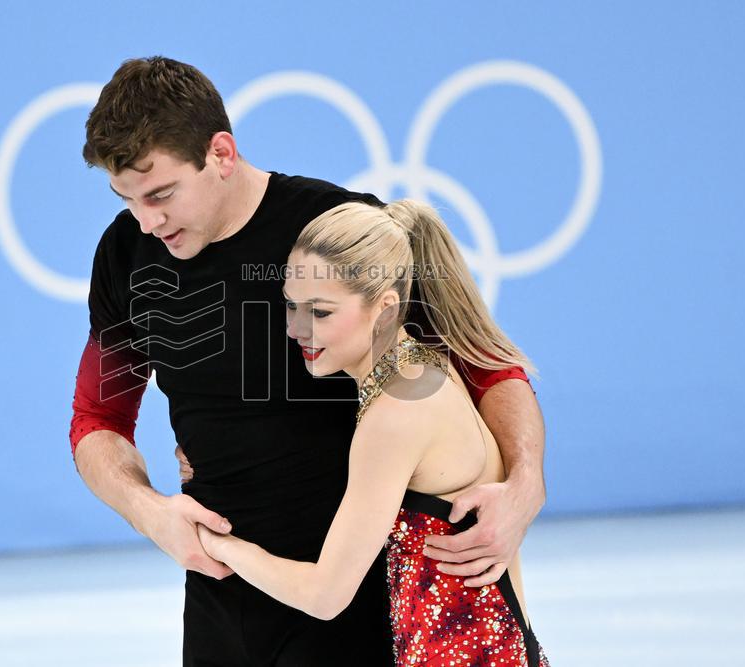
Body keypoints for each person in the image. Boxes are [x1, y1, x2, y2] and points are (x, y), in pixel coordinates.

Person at [71, 56, 547, 666]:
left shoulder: (333, 232)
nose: (147, 219)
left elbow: (488, 364)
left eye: (162, 193)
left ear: (220, 153)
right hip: (222, 592)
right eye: (127, 198)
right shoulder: (124, 254)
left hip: (355, 593)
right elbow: (96, 419)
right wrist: (149, 512)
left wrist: (525, 479)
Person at [194, 199, 550, 665]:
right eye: (290, 305)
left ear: (384, 308)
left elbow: (325, 595)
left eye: (319, 312)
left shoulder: (397, 412)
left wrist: (216, 542)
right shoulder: (420, 368)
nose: (295, 328)